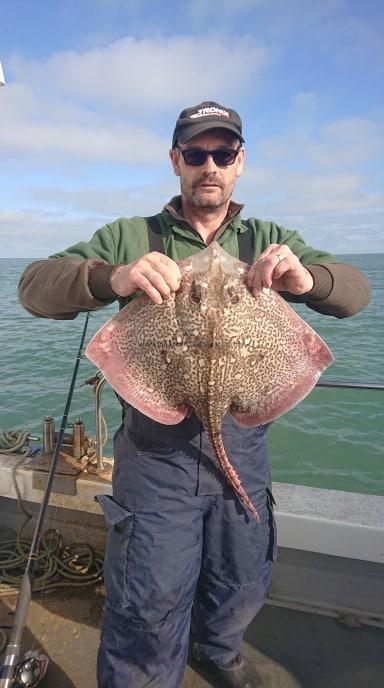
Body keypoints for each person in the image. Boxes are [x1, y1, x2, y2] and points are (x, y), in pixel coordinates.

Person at [19, 101, 371, 688]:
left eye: (223, 153)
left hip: (244, 440)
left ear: (240, 164)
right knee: (148, 595)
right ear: (175, 160)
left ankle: (218, 648)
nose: (210, 165)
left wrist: (310, 280)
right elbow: (34, 286)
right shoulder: (132, 235)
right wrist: (116, 277)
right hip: (156, 458)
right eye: (196, 153)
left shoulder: (267, 238)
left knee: (241, 576)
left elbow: (355, 293)